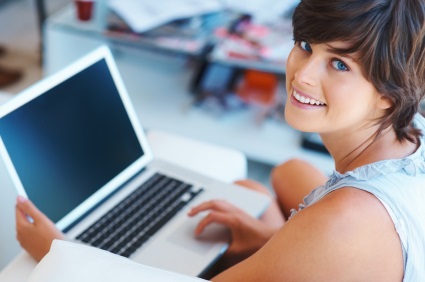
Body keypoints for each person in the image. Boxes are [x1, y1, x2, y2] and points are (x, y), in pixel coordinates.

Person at [15, 0, 425, 280]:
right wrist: (270, 243)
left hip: (342, 235)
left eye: (339, 64)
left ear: (389, 93)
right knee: (273, 178)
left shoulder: (346, 224)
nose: (302, 75)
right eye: (304, 46)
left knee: (246, 201)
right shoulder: (413, 130)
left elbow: (339, 239)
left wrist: (62, 253)